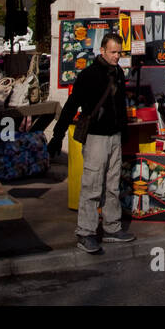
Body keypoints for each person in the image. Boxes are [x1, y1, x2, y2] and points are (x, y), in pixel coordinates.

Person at [48, 33, 135, 254]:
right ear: (102, 51)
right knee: (92, 185)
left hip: (114, 135)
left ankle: (112, 228)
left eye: (119, 52)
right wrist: (57, 136)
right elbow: (71, 106)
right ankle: (85, 232)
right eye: (113, 52)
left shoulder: (118, 72)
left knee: (112, 185)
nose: (117, 56)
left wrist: (123, 132)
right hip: (96, 137)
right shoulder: (88, 75)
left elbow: (120, 105)